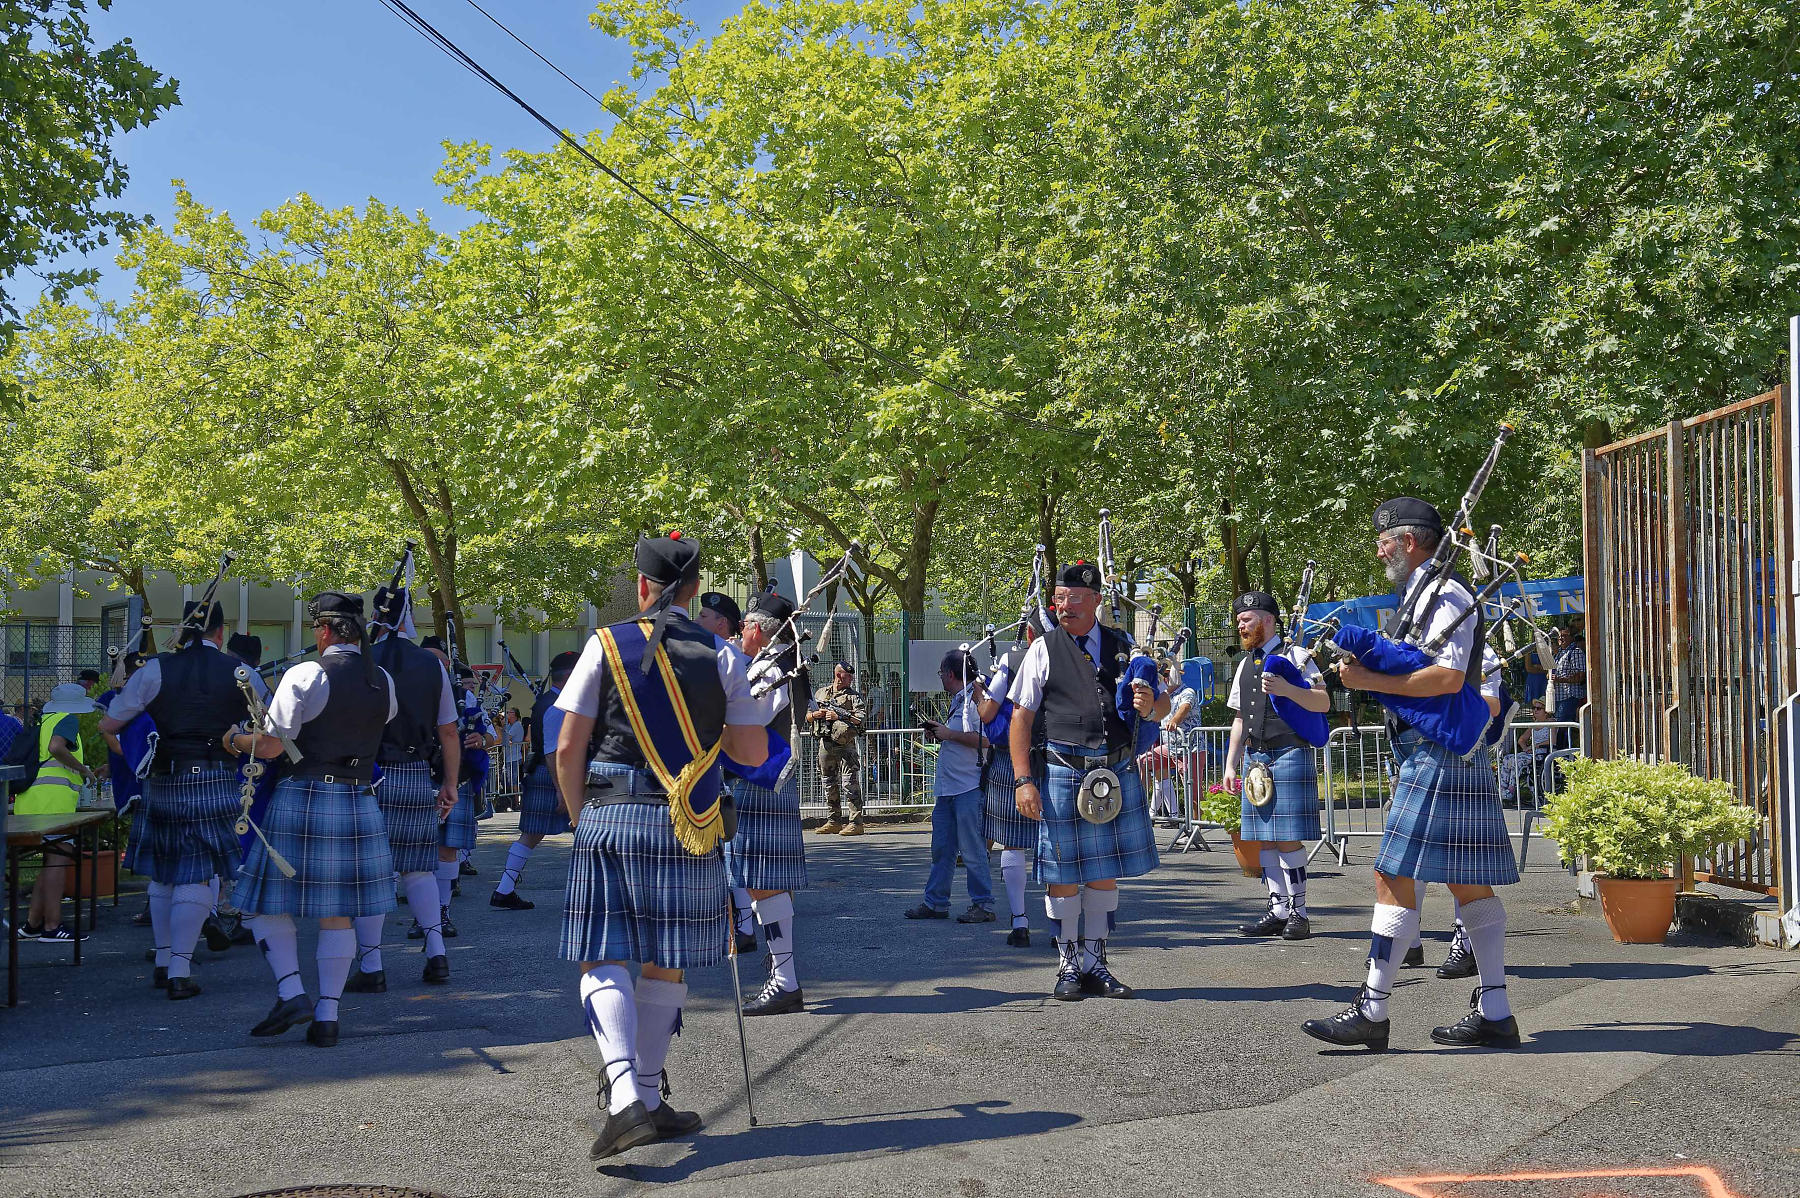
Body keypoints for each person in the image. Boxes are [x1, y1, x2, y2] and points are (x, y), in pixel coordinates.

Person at [552, 533, 774, 1158]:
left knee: (603, 953)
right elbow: (753, 753)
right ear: (696, 590)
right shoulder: (723, 654)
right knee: (666, 956)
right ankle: (646, 1094)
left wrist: (577, 818)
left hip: (611, 810)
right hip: (688, 818)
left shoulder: (604, 645)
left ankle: (629, 1099)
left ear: (644, 588)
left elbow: (569, 747)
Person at [1301, 498, 1521, 1052]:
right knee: (1467, 880)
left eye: (1386, 539)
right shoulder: (1424, 595)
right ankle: (1494, 1009)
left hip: (1438, 750)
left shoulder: (1445, 593)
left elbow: (1447, 678)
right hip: (1439, 750)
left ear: (1412, 540)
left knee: (1392, 874)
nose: (1379, 548)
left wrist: (1371, 683)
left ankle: (1372, 1010)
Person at [227, 591, 400, 1047]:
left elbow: (271, 746)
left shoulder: (307, 673)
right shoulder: (382, 678)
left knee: (264, 905)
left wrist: (234, 739)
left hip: (305, 795)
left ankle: (291, 993)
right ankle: (327, 1018)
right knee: (338, 914)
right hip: (359, 797)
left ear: (323, 630)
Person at [1008, 561, 1168, 1001]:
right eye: (1059, 600)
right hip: (1064, 769)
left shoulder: (1124, 646)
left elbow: (1160, 707)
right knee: (1062, 876)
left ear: (1096, 601)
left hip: (1115, 769)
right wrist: (1024, 780)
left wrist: (1152, 702)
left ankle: (1096, 963)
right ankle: (1067, 967)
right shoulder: (1043, 649)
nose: (1065, 608)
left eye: (1075, 600)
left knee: (1103, 874)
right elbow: (1020, 718)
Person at [99, 601, 262, 996]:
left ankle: (162, 959)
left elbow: (109, 723)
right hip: (216, 777)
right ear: (220, 633)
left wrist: (144, 741)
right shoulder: (242, 673)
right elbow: (268, 729)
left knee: (165, 872)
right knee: (199, 873)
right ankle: (178, 972)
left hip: (163, 778)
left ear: (183, 630)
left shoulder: (155, 669)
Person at [348, 587, 460, 992]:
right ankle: (436, 953)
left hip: (368, 774)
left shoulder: (362, 662)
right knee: (419, 867)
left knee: (372, 872)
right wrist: (449, 783)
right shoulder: (432, 666)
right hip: (416, 772)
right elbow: (448, 730)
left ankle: (372, 965)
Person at [725, 591, 814, 1016]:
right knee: (765, 881)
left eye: (743, 625)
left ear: (758, 628)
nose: (740, 632)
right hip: (770, 779)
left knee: (763, 881)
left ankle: (785, 980)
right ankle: (783, 973)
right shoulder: (786, 664)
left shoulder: (770, 667)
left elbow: (746, 719)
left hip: (761, 779)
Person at [1223, 591, 1329, 942]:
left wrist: (1286, 688)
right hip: (1256, 758)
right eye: (1239, 620)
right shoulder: (1244, 664)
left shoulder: (1297, 656)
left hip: (1289, 751)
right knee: (1264, 841)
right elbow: (1240, 718)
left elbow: (1322, 701)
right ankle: (1278, 909)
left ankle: (1300, 913)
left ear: (1268, 620)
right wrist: (1230, 765)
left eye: (1246, 619)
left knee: (1285, 838)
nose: (1240, 625)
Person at [904, 648, 993, 924]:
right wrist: (942, 734)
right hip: (948, 790)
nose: (940, 677)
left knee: (972, 850)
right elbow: (961, 736)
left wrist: (948, 733)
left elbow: (987, 738)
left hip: (967, 787)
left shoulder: (978, 698)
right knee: (942, 848)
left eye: (941, 673)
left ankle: (983, 905)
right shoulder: (959, 700)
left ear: (951, 674)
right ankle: (936, 902)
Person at [977, 615, 1049, 947]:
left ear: (1029, 631)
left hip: (1012, 757)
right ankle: (1059, 923)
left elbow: (987, 714)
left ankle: (1019, 921)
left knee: (1013, 842)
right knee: (1058, 842)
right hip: (1058, 757)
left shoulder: (1012, 659)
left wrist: (980, 690)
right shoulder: (1074, 656)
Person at [490, 650, 580, 910]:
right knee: (584, 832)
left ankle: (504, 890)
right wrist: (562, 789)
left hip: (546, 773)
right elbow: (552, 750)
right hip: (555, 775)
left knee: (532, 835)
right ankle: (588, 896)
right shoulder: (557, 705)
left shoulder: (548, 701)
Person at [16, 682, 100, 943]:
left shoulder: (46, 720)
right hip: (54, 803)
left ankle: (33, 923)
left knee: (48, 864)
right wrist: (84, 770)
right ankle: (52, 926)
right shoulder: (67, 719)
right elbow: (56, 748)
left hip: (32, 800)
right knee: (58, 861)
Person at [810, 660, 866, 835]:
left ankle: (856, 823)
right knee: (829, 783)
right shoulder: (821, 693)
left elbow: (861, 719)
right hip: (825, 744)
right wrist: (815, 715)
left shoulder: (853, 697)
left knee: (850, 784)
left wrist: (840, 716)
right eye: (848, 676)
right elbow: (806, 715)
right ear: (838, 675)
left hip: (845, 745)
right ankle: (833, 821)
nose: (850, 679)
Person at [1549, 621, 1587, 744]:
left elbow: (1581, 676)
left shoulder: (1576, 652)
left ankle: (1565, 757)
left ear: (1572, 637)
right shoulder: (1560, 653)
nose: (1561, 638)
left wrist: (1559, 679)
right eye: (1559, 636)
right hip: (1558, 698)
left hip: (1570, 697)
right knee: (1560, 729)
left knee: (1565, 731)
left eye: (1564, 636)